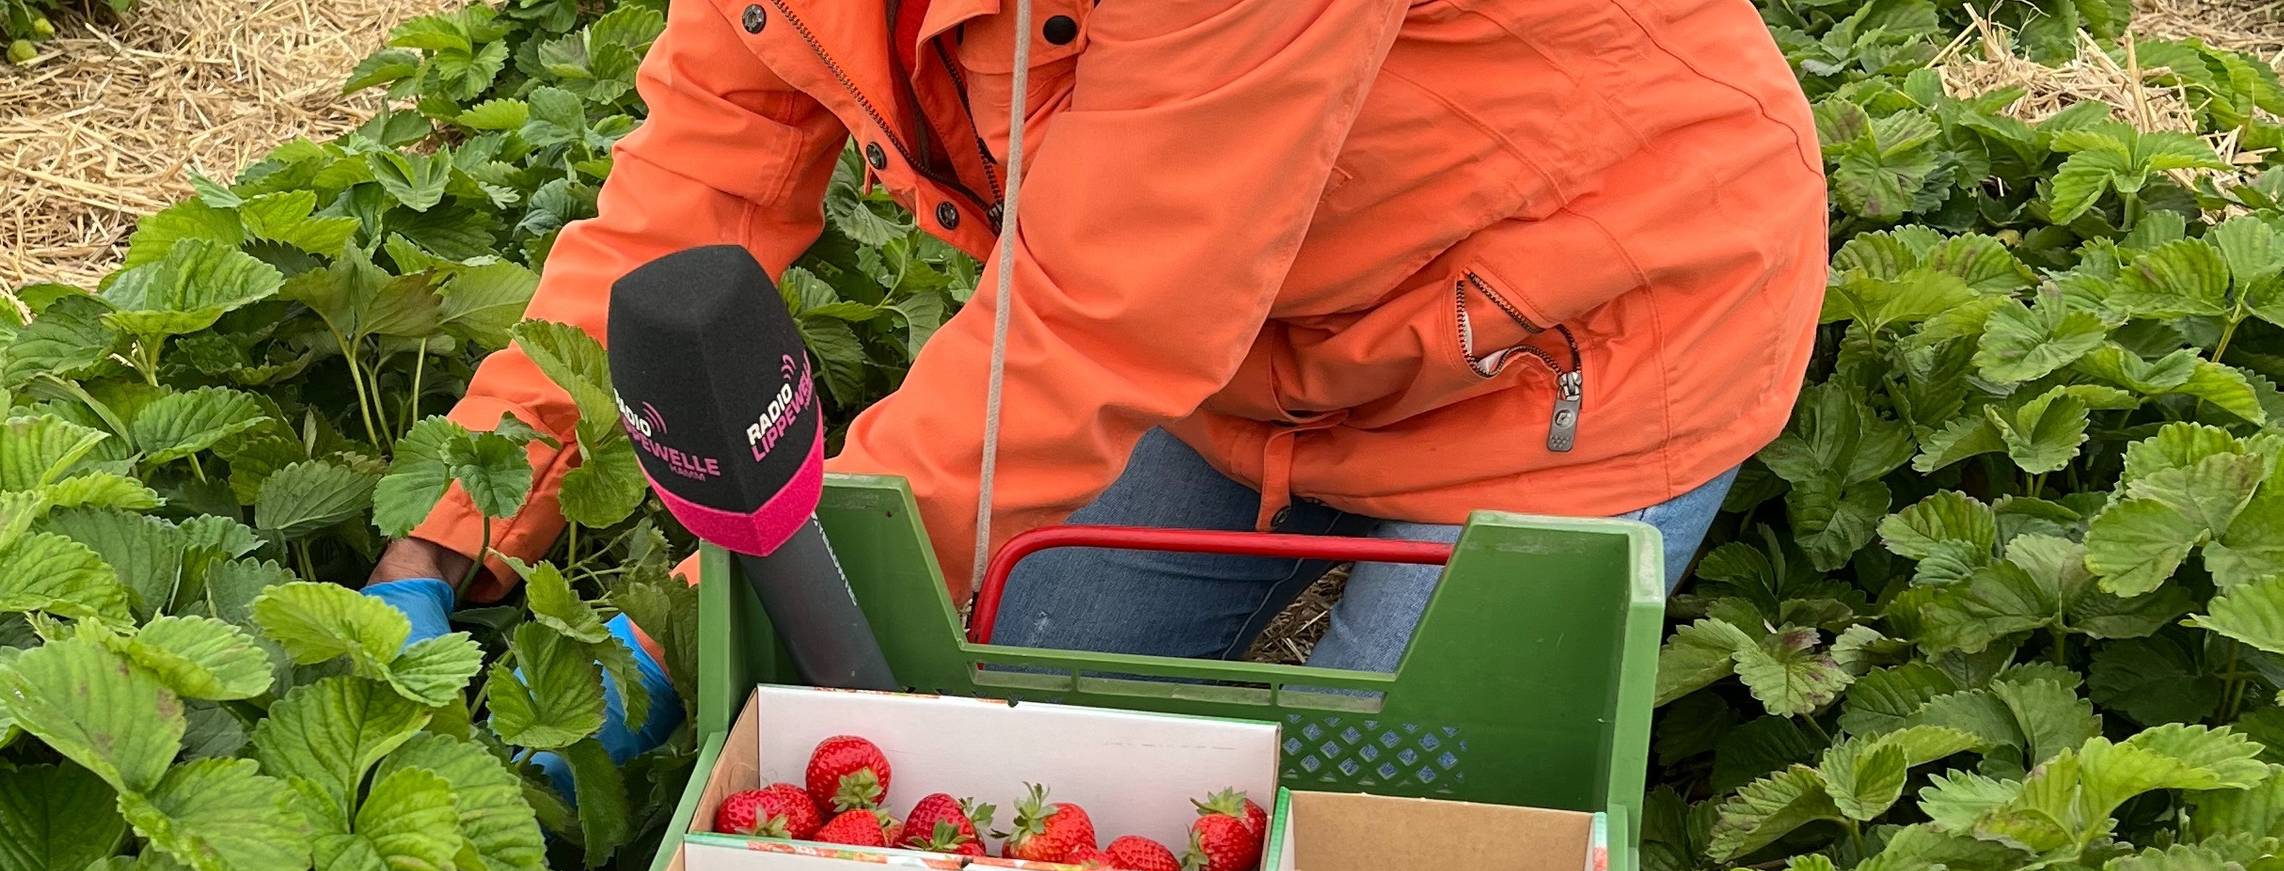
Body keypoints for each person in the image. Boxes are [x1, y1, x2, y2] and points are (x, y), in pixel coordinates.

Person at [366, 0, 1829, 748]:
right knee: (1006, 709)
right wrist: (457, 516)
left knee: (1384, 843)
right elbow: (692, 191)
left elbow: (1096, 320)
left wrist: (699, 627)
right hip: (1237, 359)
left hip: (1574, 347)